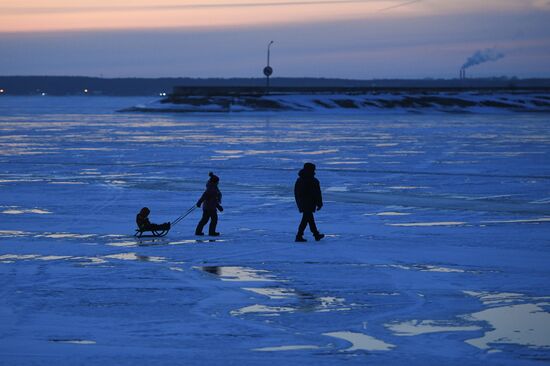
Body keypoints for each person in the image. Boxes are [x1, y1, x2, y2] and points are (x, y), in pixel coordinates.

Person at [294, 162, 325, 242]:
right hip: (308, 203)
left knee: (308, 219)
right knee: (306, 219)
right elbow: (317, 193)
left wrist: (299, 202)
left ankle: (315, 235)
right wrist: (319, 203)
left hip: (303, 203)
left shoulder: (300, 179)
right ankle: (300, 236)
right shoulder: (312, 180)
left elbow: (297, 192)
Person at [195, 172, 224, 236]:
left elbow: (213, 200)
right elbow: (204, 196)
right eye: (217, 182)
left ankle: (198, 232)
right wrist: (199, 203)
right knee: (214, 219)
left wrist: (218, 207)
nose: (218, 183)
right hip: (210, 207)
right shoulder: (212, 188)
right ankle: (211, 232)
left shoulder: (211, 187)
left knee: (205, 220)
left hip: (207, 207)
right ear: (214, 182)